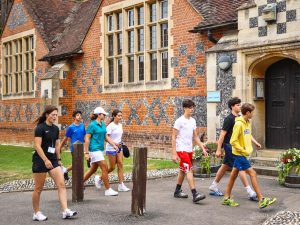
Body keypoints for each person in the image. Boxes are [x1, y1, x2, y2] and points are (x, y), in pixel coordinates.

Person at [222, 103, 277, 208]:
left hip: (242, 153)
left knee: (233, 175)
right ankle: (261, 199)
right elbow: (233, 140)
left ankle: (226, 198)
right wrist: (242, 150)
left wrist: (255, 143)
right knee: (253, 173)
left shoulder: (247, 122)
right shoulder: (238, 124)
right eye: (252, 112)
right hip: (240, 154)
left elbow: (247, 134)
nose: (253, 114)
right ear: (247, 113)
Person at [32, 105, 77, 221]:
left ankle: (65, 211)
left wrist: (59, 159)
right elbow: (37, 146)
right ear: (47, 115)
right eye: (53, 115)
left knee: (61, 184)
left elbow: (57, 145)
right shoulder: (40, 128)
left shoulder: (56, 129)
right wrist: (45, 160)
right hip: (40, 160)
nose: (55, 117)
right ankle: (36, 213)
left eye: (56, 115)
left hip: (52, 160)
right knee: (38, 188)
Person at [209, 97, 257, 200]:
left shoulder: (241, 118)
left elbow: (246, 133)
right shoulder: (229, 119)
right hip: (230, 146)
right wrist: (218, 149)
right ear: (232, 106)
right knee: (241, 168)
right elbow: (222, 135)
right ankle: (250, 192)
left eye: (240, 104)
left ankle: (214, 186)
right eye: (237, 105)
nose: (240, 106)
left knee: (225, 166)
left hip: (234, 146)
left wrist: (255, 142)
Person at [172, 99, 208, 203]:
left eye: (193, 107)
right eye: (190, 107)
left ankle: (177, 191)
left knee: (183, 170)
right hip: (181, 149)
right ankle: (195, 194)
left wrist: (202, 148)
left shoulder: (193, 121)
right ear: (184, 108)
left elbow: (195, 137)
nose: (192, 109)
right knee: (189, 170)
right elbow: (173, 136)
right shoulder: (179, 121)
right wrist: (174, 153)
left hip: (189, 149)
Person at [83, 106, 119, 196]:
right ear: (99, 115)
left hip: (100, 149)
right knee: (104, 167)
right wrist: (86, 153)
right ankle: (108, 189)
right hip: (94, 149)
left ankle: (79, 183)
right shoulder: (92, 125)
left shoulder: (102, 124)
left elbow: (106, 136)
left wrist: (114, 145)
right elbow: (87, 139)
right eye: (103, 114)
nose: (105, 116)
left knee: (93, 169)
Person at [104, 109, 130, 192]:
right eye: (119, 115)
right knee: (112, 167)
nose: (120, 117)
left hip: (119, 148)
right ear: (114, 116)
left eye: (121, 116)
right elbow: (106, 138)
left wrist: (122, 143)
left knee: (120, 165)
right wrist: (114, 144)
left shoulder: (120, 125)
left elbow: (118, 137)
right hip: (111, 148)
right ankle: (101, 178)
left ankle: (121, 185)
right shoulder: (110, 126)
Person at [58, 110, 86, 181]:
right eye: (77, 115)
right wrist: (60, 148)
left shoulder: (82, 126)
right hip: (74, 149)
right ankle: (80, 182)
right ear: (74, 117)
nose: (79, 116)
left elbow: (85, 137)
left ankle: (65, 170)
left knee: (77, 164)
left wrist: (87, 147)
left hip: (81, 148)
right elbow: (65, 139)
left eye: (80, 115)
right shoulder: (71, 127)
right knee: (79, 165)